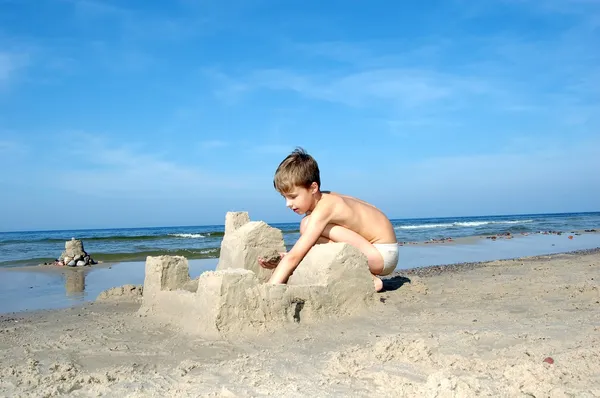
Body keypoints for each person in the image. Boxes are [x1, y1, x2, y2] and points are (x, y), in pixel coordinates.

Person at [258, 147, 399, 292]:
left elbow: (295, 256)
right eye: (284, 197)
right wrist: (287, 257)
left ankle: (366, 277)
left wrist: (269, 289)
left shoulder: (325, 208)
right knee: (310, 228)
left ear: (313, 188)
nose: (288, 204)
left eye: (293, 196)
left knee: (307, 225)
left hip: (381, 256)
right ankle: (365, 274)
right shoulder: (324, 198)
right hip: (379, 251)